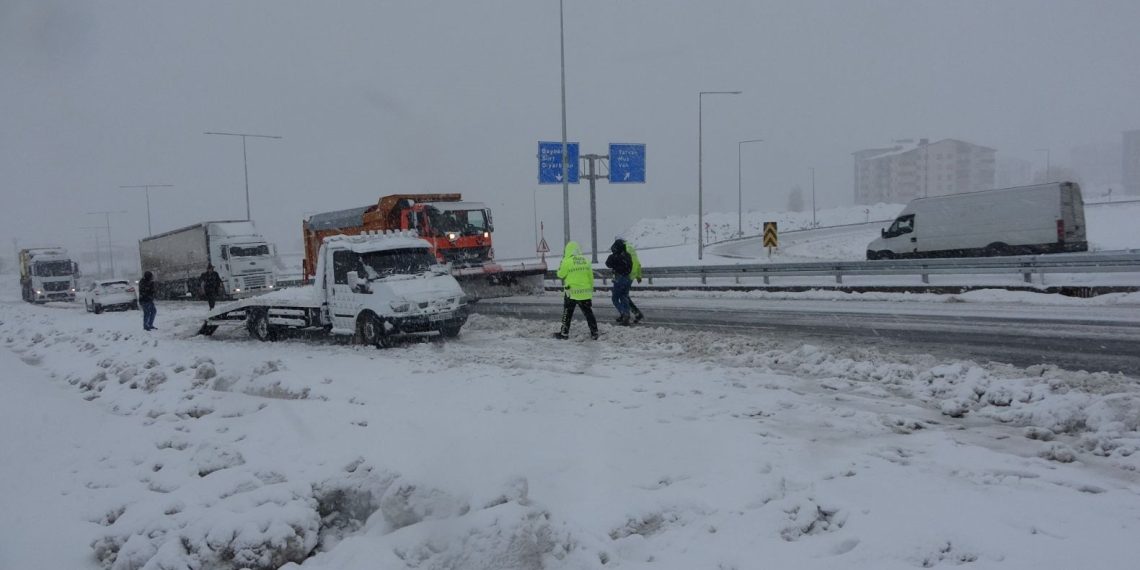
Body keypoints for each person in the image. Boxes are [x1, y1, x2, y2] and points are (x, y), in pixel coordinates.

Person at [554, 241, 598, 340]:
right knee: (588, 313)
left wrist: (560, 266)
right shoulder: (586, 260)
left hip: (572, 293)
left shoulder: (567, 261)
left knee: (567, 313)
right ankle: (594, 332)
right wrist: (590, 290)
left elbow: (560, 274)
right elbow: (591, 277)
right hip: (585, 293)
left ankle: (564, 333)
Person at [605, 238, 634, 326]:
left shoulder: (615, 256)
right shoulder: (628, 255)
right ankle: (626, 314)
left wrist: (615, 265)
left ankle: (624, 314)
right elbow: (630, 266)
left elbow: (608, 264)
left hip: (619, 278)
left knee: (615, 298)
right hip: (628, 278)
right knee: (624, 297)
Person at [624, 239, 645, 323]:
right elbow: (638, 263)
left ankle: (633, 314)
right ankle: (626, 314)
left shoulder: (623, 249)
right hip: (632, 275)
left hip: (626, 275)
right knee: (624, 295)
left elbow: (621, 262)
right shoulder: (632, 249)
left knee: (623, 296)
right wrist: (639, 276)